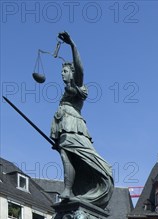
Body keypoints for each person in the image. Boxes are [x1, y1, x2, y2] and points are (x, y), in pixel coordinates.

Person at [50, 32, 114, 208]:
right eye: (61, 71)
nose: (62, 74)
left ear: (72, 73)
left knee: (71, 153)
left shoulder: (78, 85)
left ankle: (71, 188)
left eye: (65, 71)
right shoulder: (67, 90)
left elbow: (80, 67)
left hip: (74, 126)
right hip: (64, 124)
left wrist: (72, 45)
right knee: (66, 154)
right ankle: (69, 190)